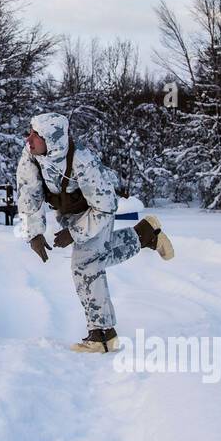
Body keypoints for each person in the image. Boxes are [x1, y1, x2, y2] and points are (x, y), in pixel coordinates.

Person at [15, 112, 174, 352]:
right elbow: (29, 193)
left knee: (85, 265)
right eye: (31, 131)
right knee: (96, 258)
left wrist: (75, 233)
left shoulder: (82, 160)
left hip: (97, 209)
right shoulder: (31, 156)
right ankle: (145, 234)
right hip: (70, 213)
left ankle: (102, 335)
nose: (29, 138)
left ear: (52, 139)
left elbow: (105, 206)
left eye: (36, 134)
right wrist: (34, 233)